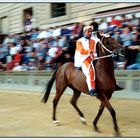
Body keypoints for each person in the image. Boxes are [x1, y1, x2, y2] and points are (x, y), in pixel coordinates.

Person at [74, 25, 98, 96]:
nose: (90, 33)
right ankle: (92, 89)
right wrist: (89, 52)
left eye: (91, 31)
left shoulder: (94, 41)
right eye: (88, 31)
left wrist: (94, 54)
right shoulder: (79, 41)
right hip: (83, 58)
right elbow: (81, 51)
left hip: (92, 57)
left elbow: (94, 51)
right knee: (90, 70)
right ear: (84, 32)